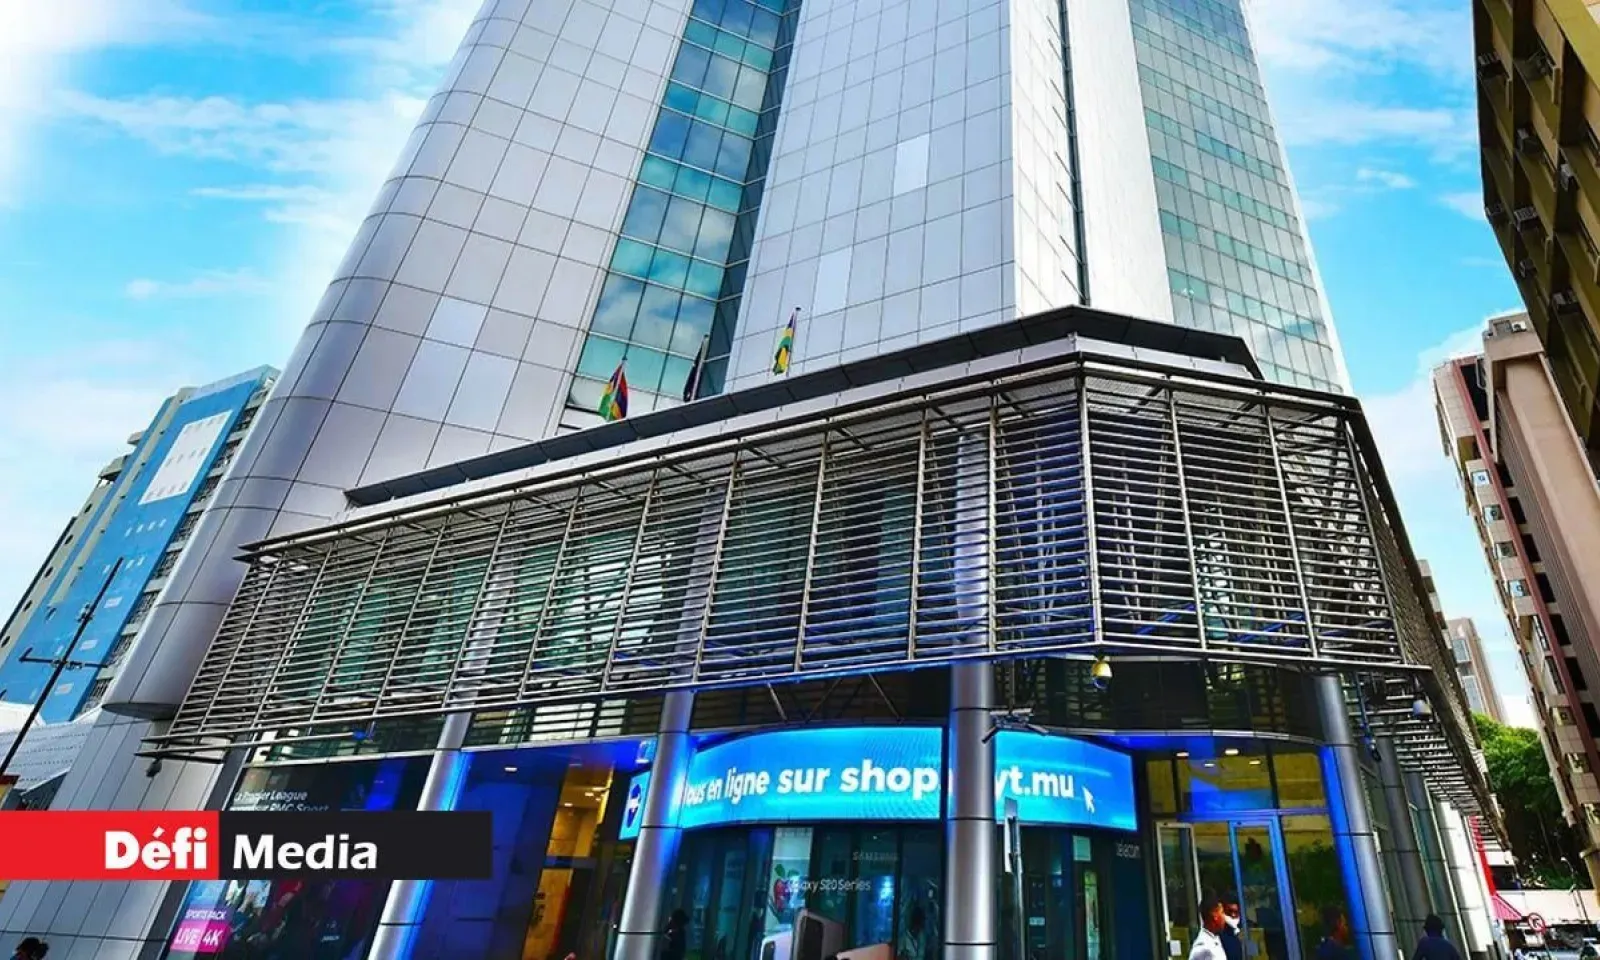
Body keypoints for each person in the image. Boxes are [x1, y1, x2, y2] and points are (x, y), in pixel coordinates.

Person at [1190, 895, 1229, 960]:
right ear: (1215, 915)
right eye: (1222, 912)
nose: (1225, 917)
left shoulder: (1215, 937)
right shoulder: (1202, 947)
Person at [1219, 893, 1244, 960]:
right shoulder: (1218, 934)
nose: (1233, 915)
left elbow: (1253, 954)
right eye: (1229, 912)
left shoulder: (1245, 929)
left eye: (1236, 912)